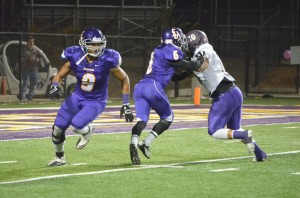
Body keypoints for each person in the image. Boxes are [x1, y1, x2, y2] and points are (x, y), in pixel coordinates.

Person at [48, 27, 134, 167]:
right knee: (57, 129)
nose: (96, 48)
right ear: (83, 44)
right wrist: (55, 85)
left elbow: (125, 79)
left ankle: (88, 131)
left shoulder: (107, 59)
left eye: (99, 44)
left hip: (96, 101)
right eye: (92, 44)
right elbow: (59, 75)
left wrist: (126, 104)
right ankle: (59, 158)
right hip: (77, 96)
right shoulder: (75, 55)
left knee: (76, 125)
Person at [185, 30, 267, 162]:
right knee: (235, 128)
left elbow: (202, 65)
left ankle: (244, 135)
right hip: (234, 92)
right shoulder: (202, 51)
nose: (187, 46)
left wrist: (182, 63)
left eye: (188, 43)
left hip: (224, 95)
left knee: (214, 131)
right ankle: (259, 153)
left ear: (195, 42)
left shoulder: (204, 49)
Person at [129, 27, 203, 165]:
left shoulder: (160, 49)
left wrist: (187, 73)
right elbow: (183, 63)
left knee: (142, 121)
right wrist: (197, 63)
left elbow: (174, 77)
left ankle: (133, 142)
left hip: (140, 87)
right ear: (175, 39)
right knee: (168, 117)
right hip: (153, 86)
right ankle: (146, 143)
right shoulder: (170, 49)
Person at [20, 35, 41, 102]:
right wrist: (27, 60)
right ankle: (23, 97)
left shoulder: (36, 50)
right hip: (26, 69)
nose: (32, 42)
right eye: (30, 41)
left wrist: (37, 60)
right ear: (27, 42)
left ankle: (30, 97)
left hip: (34, 69)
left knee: (33, 83)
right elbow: (22, 59)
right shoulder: (24, 50)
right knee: (25, 83)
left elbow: (39, 58)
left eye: (33, 41)